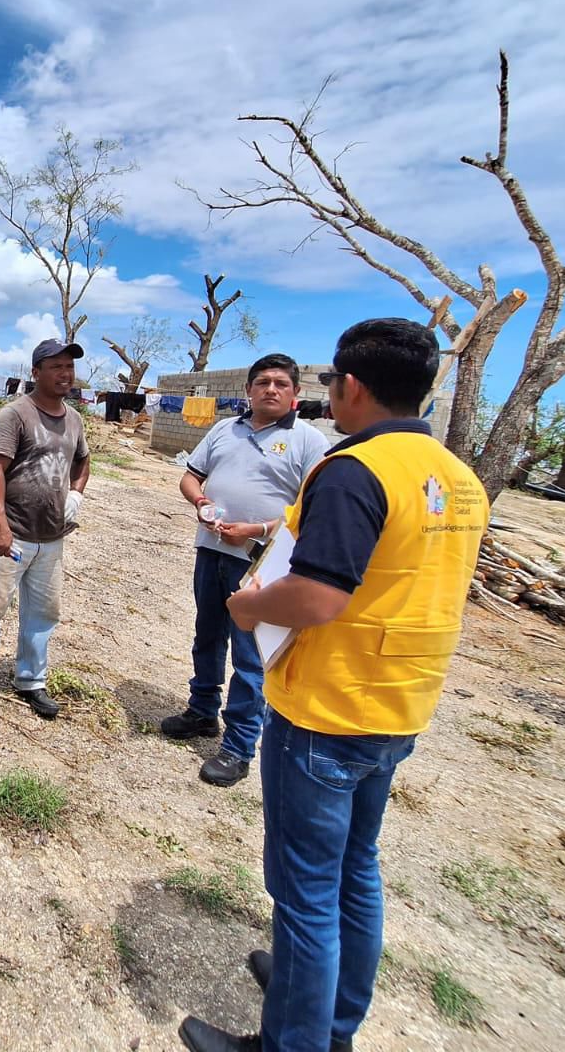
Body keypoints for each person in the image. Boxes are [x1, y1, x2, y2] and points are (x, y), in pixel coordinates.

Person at [178, 318, 489, 1052]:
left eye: (324, 385)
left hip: (328, 708)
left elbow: (317, 596)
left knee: (306, 891)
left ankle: (293, 1039)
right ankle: (330, 1014)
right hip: (399, 705)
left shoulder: (353, 470)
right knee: (355, 869)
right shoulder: (457, 477)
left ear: (349, 386)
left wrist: (249, 606)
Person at [161, 355, 331, 786]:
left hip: (262, 563)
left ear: (295, 394)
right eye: (261, 383)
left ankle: (238, 746)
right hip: (212, 550)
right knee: (208, 633)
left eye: (279, 384)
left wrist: (257, 529)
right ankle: (202, 711)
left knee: (250, 655)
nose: (270, 390)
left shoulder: (309, 442)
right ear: (249, 390)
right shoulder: (224, 429)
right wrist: (201, 503)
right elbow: (191, 477)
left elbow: (311, 507)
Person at [0, 338, 91, 722]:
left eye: (70, 367)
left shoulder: (75, 420)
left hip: (51, 537)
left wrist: (76, 497)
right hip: (11, 533)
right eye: (56, 367)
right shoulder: (15, 414)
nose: (66, 374)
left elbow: (83, 462)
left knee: (44, 612)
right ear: (36, 372)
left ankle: (31, 680)